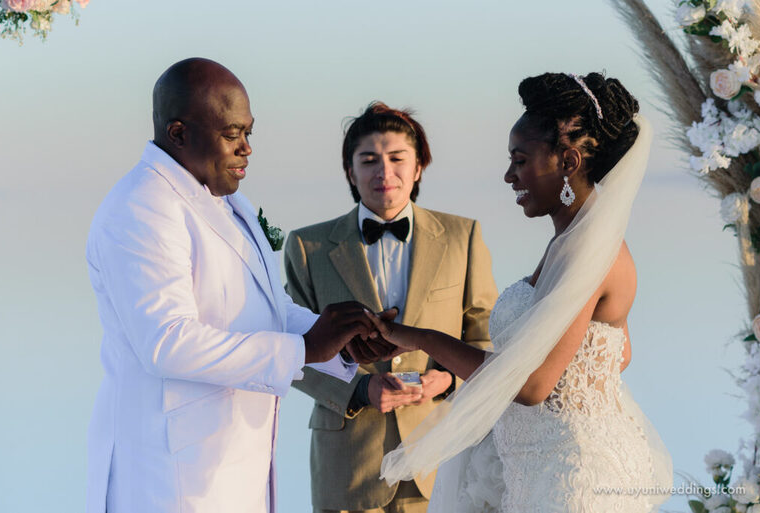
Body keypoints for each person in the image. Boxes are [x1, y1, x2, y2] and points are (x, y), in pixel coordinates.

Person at [84, 58, 390, 513]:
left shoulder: (230, 201)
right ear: (178, 133)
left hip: (235, 468)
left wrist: (339, 340)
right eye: (231, 135)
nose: (247, 148)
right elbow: (167, 342)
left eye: (249, 133)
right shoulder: (142, 206)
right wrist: (305, 349)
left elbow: (266, 309)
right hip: (169, 480)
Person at [368, 73, 673, 512]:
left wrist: (422, 339)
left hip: (573, 480)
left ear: (568, 162)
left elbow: (532, 385)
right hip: (536, 469)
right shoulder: (571, 242)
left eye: (520, 160)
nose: (509, 175)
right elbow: (616, 354)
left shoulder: (590, 251)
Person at [284, 101, 498, 513]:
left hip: (441, 461)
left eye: (398, 158)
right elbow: (292, 352)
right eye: (369, 160)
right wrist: (361, 389)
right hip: (347, 466)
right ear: (350, 171)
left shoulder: (462, 236)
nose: (384, 172)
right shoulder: (306, 247)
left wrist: (449, 381)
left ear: (418, 167)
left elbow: (486, 336)